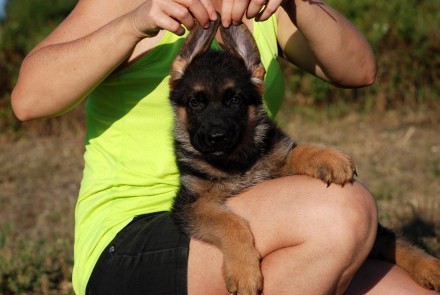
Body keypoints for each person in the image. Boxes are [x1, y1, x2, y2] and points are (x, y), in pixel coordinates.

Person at [10, 0, 439, 294]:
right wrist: (133, 22)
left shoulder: (266, 9)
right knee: (342, 211)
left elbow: (359, 70)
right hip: (130, 242)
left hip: (262, 219)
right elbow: (28, 99)